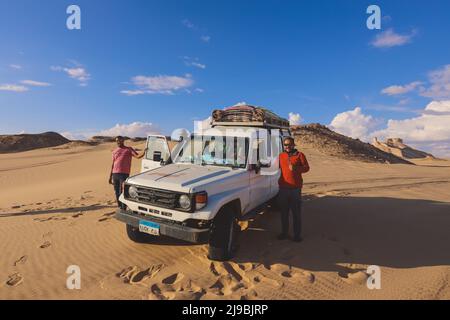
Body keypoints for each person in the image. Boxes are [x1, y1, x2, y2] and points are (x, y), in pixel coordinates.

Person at [277, 136, 310, 242]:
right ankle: (284, 233)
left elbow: (306, 168)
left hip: (295, 189)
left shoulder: (300, 155)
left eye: (289, 144)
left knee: (296, 213)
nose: (287, 146)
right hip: (283, 188)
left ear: (293, 145)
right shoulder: (281, 156)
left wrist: (296, 168)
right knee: (284, 213)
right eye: (285, 145)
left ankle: (297, 235)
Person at [109, 136, 146, 209]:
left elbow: (138, 156)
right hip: (115, 174)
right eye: (117, 141)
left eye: (119, 141)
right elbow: (113, 164)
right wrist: (110, 177)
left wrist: (144, 152)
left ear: (123, 141)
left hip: (124, 174)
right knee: (116, 192)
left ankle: (124, 207)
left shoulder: (128, 149)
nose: (118, 142)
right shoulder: (115, 151)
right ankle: (120, 206)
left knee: (122, 191)